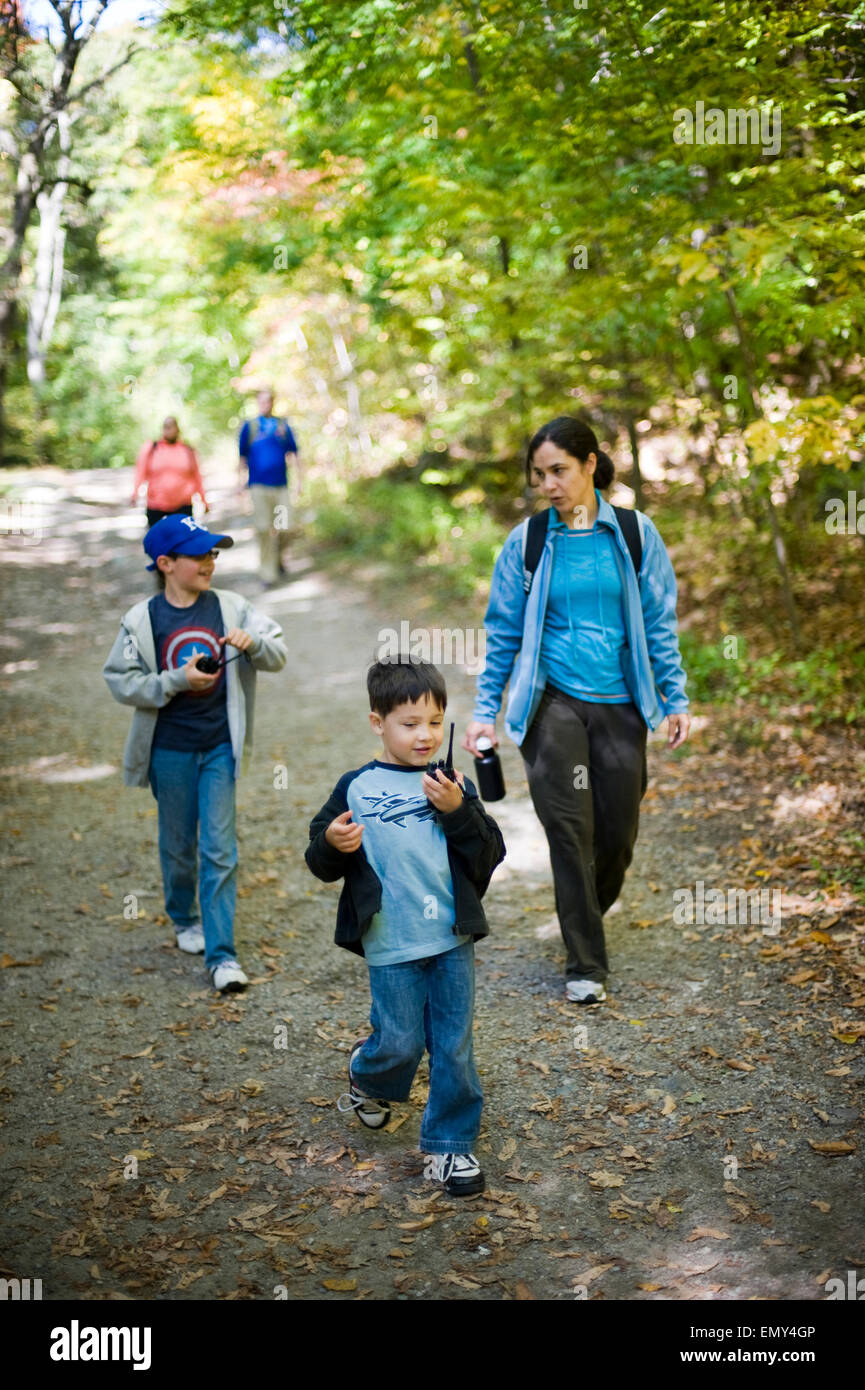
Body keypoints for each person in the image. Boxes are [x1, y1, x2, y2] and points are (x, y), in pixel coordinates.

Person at [463, 416, 690, 1005]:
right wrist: (485, 710)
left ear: (591, 464)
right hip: (552, 702)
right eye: (539, 475)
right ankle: (584, 960)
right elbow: (504, 630)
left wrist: (675, 697)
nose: (548, 485)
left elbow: (661, 624)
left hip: (622, 705)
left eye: (559, 471)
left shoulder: (637, 534)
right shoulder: (529, 541)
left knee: (616, 835)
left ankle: (586, 909)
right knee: (568, 828)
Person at [305, 659, 505, 1196]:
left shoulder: (450, 783)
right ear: (378, 723)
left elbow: (491, 853)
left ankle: (450, 1147)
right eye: (410, 723)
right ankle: (369, 1076)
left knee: (453, 1045)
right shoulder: (357, 787)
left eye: (436, 722)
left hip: (450, 938)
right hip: (390, 942)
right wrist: (332, 845)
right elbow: (318, 856)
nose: (426, 735)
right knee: (399, 1041)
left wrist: (459, 811)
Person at [103, 513, 288, 993]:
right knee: (178, 845)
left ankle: (222, 956)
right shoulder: (142, 620)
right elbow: (120, 681)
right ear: (165, 563)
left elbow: (278, 653)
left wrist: (254, 645)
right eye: (199, 554)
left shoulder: (230, 607)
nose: (210, 561)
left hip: (218, 748)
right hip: (169, 750)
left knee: (220, 850)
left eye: (213, 553)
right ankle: (185, 918)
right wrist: (175, 681)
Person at [238, 387, 301, 586]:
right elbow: (242, 457)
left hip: (281, 487)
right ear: (258, 402)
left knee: (286, 527)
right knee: (264, 528)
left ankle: (279, 558)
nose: (266, 404)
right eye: (262, 401)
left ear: (273, 402)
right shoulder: (250, 427)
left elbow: (294, 453)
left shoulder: (282, 426)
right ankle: (267, 573)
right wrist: (239, 485)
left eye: (269, 401)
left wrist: (299, 481)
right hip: (258, 487)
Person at [131, 417, 208, 528]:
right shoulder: (151, 448)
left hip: (183, 505)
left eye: (171, 427)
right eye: (165, 427)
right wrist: (135, 493)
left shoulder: (187, 450)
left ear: (177, 429)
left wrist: (204, 500)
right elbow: (140, 472)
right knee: (158, 541)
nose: (168, 430)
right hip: (156, 505)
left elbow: (197, 476)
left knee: (182, 541)